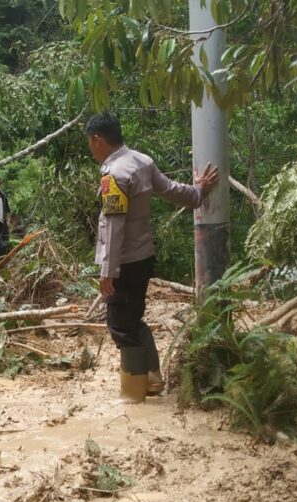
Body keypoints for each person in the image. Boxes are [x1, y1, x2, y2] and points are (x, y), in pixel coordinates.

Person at [86, 112, 220, 403]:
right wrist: (198, 191)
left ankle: (134, 394)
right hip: (143, 256)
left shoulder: (115, 174)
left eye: (90, 143)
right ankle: (152, 377)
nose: (90, 148)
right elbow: (171, 190)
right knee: (133, 317)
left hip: (124, 262)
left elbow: (113, 226)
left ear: (98, 140)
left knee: (120, 325)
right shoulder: (142, 161)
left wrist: (108, 271)